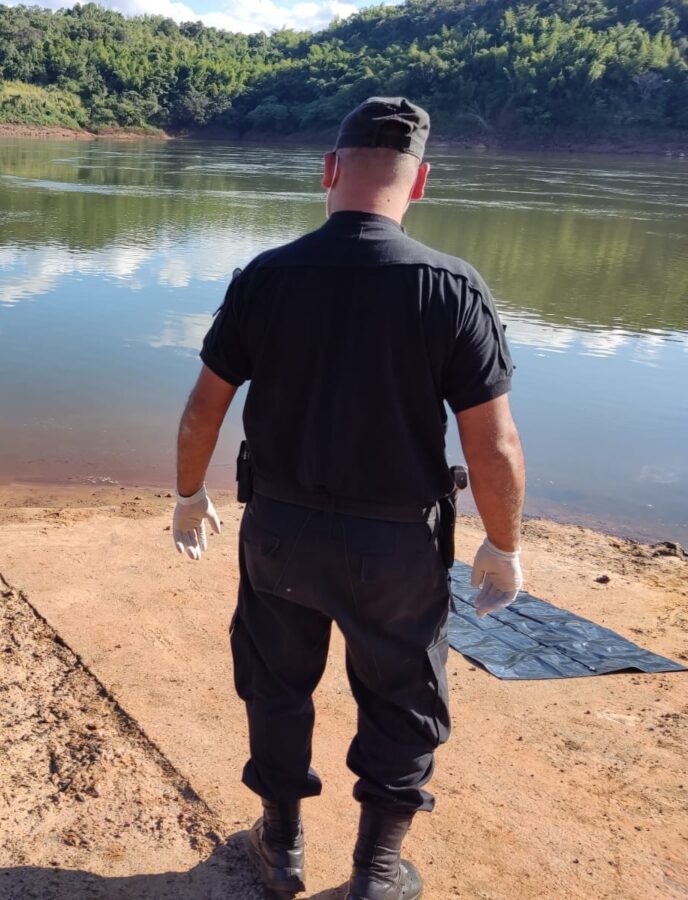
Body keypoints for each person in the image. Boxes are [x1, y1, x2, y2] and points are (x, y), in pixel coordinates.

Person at [171, 97, 526, 900]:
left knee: (275, 684)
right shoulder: (453, 288)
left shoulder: (264, 277)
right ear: (422, 182)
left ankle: (282, 847)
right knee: (402, 699)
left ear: (328, 170)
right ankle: (376, 872)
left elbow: (203, 410)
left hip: (281, 533)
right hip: (395, 547)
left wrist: (189, 496)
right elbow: (493, 445)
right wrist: (502, 546)